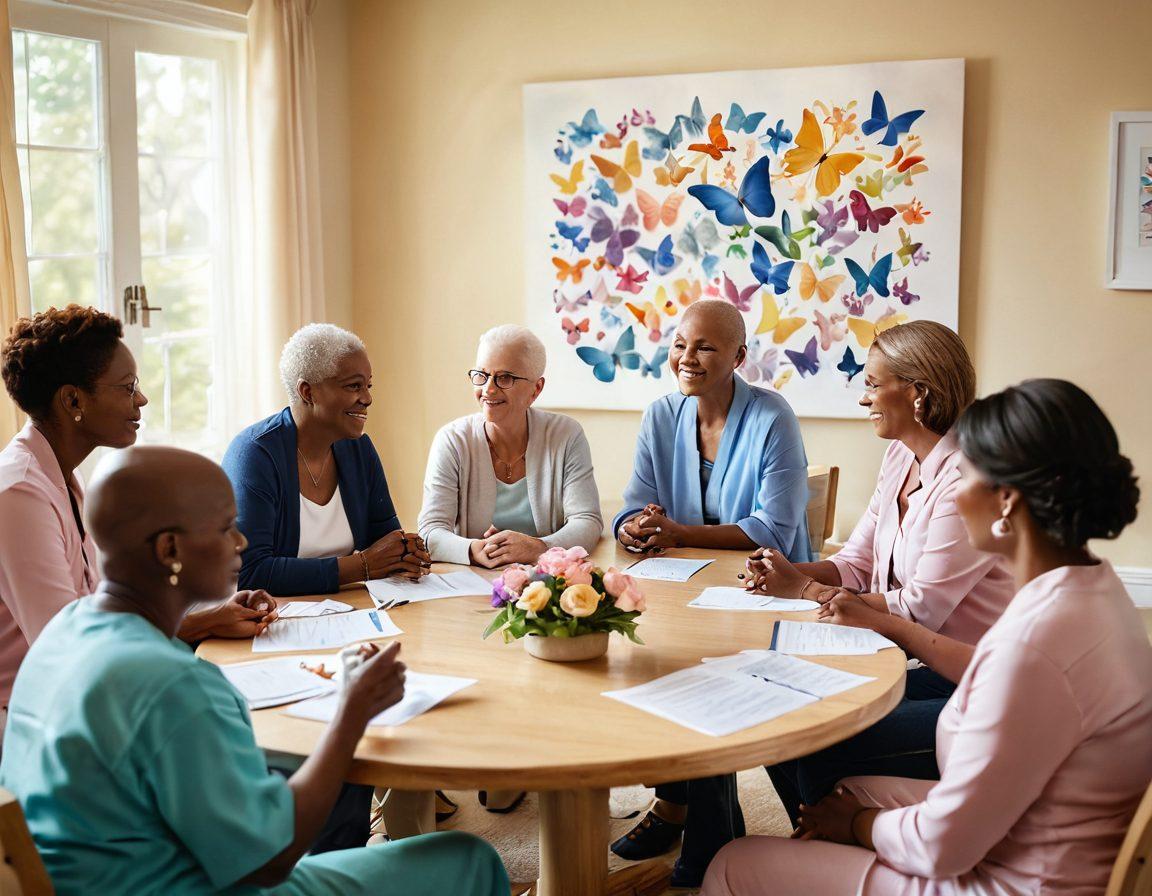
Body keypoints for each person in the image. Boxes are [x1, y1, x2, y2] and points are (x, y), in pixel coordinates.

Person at [702, 379, 1151, 896]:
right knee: (843, 790)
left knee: (734, 862)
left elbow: (944, 845)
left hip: (1015, 878)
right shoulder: (1096, 587)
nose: (954, 493)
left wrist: (857, 825)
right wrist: (856, 815)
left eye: (967, 474)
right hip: (1045, 836)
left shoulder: (1032, 649)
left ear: (1006, 501)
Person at [0, 445, 508, 896]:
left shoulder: (65, 629)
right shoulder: (172, 684)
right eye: (225, 528)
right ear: (169, 550)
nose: (241, 543)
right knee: (469, 858)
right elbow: (268, 861)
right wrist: (351, 713)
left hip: (98, 874)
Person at [743, 321, 1014, 823]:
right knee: (776, 713)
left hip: (973, 677)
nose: (863, 399)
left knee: (819, 741)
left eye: (872, 384)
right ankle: (819, 838)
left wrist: (801, 589)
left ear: (918, 393)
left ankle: (842, 838)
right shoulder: (899, 455)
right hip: (917, 662)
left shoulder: (969, 477)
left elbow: (920, 611)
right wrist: (785, 573)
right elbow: (857, 562)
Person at [0, 306, 276, 740]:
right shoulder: (18, 492)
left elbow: (97, 617)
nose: (141, 400)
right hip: (32, 722)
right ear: (72, 400)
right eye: (127, 388)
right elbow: (70, 647)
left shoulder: (63, 479)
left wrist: (206, 617)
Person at [610, 299, 812, 888]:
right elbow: (632, 502)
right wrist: (634, 527)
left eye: (704, 346)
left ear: (738, 357)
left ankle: (709, 837)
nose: (686, 357)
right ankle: (682, 807)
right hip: (680, 591)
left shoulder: (773, 418)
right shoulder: (659, 416)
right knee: (653, 660)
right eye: (679, 343)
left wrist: (678, 533)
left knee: (708, 679)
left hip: (763, 587)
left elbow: (773, 529)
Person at [224, 323, 430, 597]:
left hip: (346, 610)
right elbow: (252, 573)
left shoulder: (359, 449)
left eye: (368, 385)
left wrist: (406, 554)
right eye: (354, 386)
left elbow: (385, 540)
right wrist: (362, 566)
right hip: (273, 620)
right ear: (308, 392)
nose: (367, 398)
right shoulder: (254, 455)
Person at [418, 324, 601, 568]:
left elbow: (587, 521)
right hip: (473, 587)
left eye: (504, 378)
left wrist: (539, 548)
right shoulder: (452, 440)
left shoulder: (566, 435)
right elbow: (429, 532)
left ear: (536, 389)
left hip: (547, 585)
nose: (488, 389)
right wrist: (472, 549)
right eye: (482, 375)